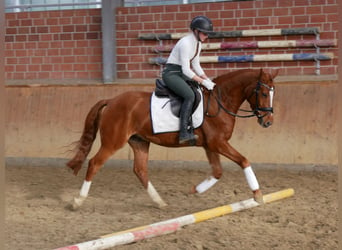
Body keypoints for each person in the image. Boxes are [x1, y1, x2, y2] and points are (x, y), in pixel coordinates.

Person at [162, 16, 216, 145]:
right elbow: (186, 70)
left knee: (199, 91)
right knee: (189, 95)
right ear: (196, 31)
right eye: (204, 33)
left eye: (207, 33)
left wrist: (207, 80)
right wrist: (203, 82)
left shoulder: (198, 44)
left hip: (180, 73)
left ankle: (192, 125)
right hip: (172, 73)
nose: (206, 36)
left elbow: (196, 65)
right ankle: (183, 133)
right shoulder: (186, 43)